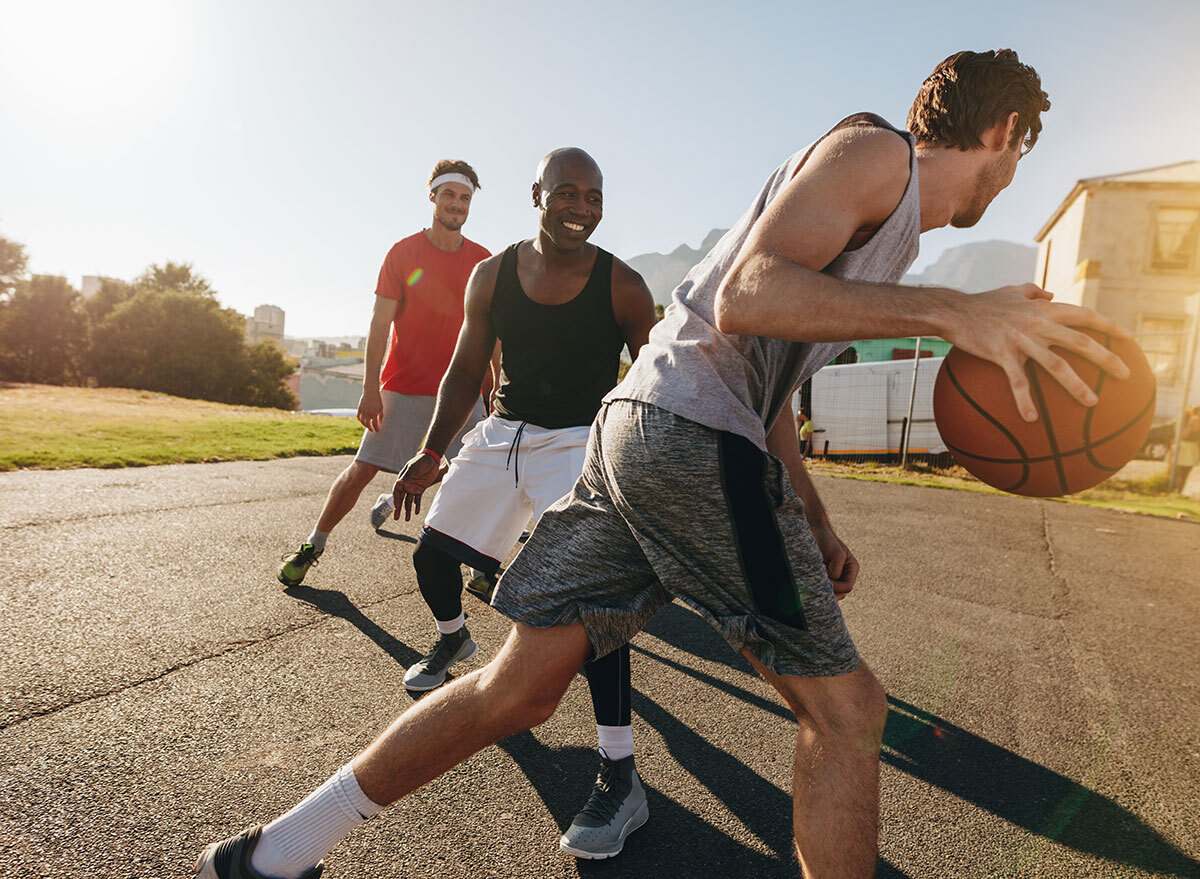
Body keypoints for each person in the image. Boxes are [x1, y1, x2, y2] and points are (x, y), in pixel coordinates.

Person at [197, 50, 1136, 879]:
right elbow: (749, 295)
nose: (1011, 178)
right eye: (1021, 156)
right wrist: (954, 311)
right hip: (691, 445)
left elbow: (758, 372)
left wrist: (810, 511)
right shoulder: (877, 153)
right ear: (1005, 130)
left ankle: (273, 851)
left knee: (516, 691)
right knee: (848, 715)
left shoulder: (887, 234)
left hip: (647, 434)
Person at [394, 147, 657, 859]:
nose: (580, 207)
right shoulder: (493, 273)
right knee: (433, 558)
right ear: (536, 194)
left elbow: (659, 377)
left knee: (591, 603)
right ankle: (454, 636)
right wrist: (432, 449)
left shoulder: (623, 286)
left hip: (577, 441)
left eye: (593, 197)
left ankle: (620, 771)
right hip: (503, 432)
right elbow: (465, 368)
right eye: (567, 193)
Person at [276, 160, 490, 588]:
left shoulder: (484, 261)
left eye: (465, 198)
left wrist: (497, 387)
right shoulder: (403, 253)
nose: (456, 204)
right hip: (404, 386)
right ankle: (312, 546)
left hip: (464, 390)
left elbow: (491, 333)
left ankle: (479, 565)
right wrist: (370, 388)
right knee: (362, 469)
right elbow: (379, 323)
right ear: (432, 197)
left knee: (477, 471)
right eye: (449, 195)